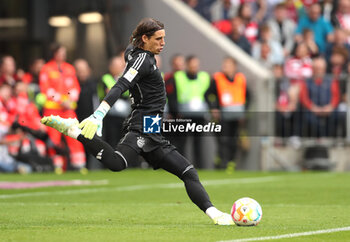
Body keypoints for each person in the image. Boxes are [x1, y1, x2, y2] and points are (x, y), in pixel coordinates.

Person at [41, 18, 234, 225]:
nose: (163, 43)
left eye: (164, 38)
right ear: (145, 38)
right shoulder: (143, 59)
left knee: (188, 172)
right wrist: (99, 114)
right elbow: (120, 85)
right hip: (142, 126)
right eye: (158, 39)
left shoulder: (136, 53)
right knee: (117, 164)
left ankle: (216, 215)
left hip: (153, 130)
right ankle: (75, 131)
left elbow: (130, 52)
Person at [39, 43, 86, 173]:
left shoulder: (70, 68)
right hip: (52, 109)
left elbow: (75, 88)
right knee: (54, 138)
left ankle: (79, 165)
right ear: (55, 53)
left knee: (75, 134)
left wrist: (70, 99)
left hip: (68, 109)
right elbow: (46, 89)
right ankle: (57, 165)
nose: (63, 55)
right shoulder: (46, 69)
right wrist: (60, 100)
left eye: (64, 52)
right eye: (61, 52)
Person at [205, 57, 247, 169]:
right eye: (224, 65)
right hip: (222, 117)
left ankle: (231, 163)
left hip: (236, 116)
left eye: (228, 65)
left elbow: (248, 96)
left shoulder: (240, 79)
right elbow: (207, 94)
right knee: (223, 140)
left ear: (234, 67)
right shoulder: (217, 78)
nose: (225, 67)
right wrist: (213, 108)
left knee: (234, 140)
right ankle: (221, 162)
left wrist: (244, 111)